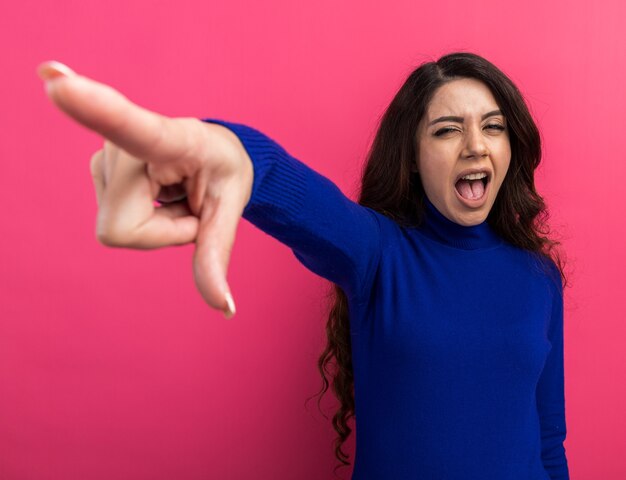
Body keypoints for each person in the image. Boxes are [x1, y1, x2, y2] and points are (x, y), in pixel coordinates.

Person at [37, 51, 570, 479]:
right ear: (412, 155)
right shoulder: (378, 253)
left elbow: (548, 440)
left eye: (493, 127)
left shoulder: (539, 278)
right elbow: (301, 198)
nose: (475, 146)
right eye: (447, 130)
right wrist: (229, 151)